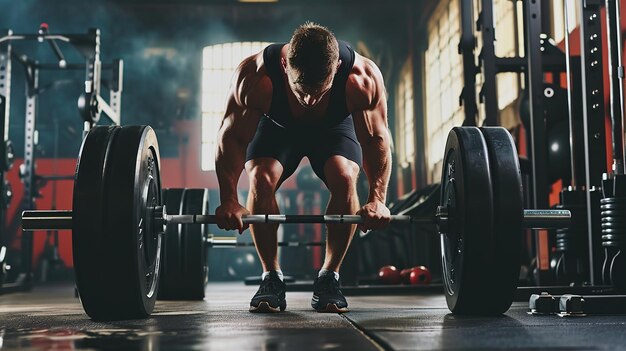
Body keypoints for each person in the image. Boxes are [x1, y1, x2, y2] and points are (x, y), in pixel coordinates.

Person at [215, 22, 391, 313]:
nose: (310, 100)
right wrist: (229, 200)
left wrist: (378, 200)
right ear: (284, 64)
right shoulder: (255, 76)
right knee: (260, 177)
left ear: (335, 67)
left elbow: (376, 140)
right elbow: (231, 138)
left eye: (319, 91)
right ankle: (271, 277)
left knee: (345, 176)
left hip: (333, 129)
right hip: (277, 128)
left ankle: (329, 278)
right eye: (300, 90)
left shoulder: (362, 78)